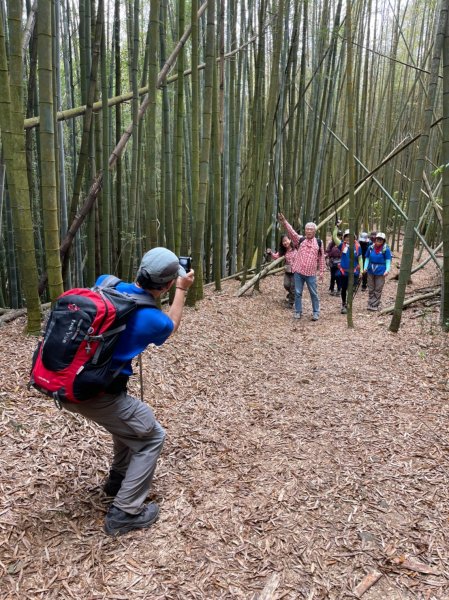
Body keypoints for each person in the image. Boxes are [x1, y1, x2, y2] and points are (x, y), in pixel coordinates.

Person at [62, 247, 195, 536]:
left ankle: (118, 480)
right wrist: (182, 291)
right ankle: (125, 512)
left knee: (130, 423)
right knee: (152, 437)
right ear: (169, 283)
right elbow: (170, 324)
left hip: (69, 379)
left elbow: (124, 291)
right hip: (95, 393)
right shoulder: (152, 319)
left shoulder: (106, 282)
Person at [278, 213, 325, 321]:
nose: (308, 231)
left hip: (311, 273)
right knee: (298, 293)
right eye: (307, 229)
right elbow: (292, 232)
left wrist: (322, 271)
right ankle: (298, 312)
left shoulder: (319, 242)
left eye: (311, 229)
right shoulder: (301, 240)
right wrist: (284, 221)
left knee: (313, 293)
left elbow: (321, 257)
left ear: (314, 231)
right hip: (298, 272)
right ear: (305, 231)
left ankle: (316, 312)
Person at [333, 223, 363, 314]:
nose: (348, 238)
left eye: (350, 236)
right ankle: (343, 303)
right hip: (343, 271)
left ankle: (348, 304)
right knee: (344, 288)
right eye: (346, 236)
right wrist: (336, 226)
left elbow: (360, 259)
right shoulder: (342, 245)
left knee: (351, 289)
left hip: (353, 271)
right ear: (344, 237)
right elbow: (334, 237)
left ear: (354, 237)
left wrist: (361, 270)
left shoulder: (357, 246)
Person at [266, 235, 298, 307]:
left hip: (296, 271)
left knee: (293, 287)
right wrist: (270, 253)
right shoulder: (283, 250)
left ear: (290, 240)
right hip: (288, 271)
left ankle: (290, 303)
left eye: (286, 240)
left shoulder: (296, 247)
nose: (285, 242)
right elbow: (276, 256)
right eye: (283, 241)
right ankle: (291, 294)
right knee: (286, 285)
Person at [363, 232, 392, 311]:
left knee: (378, 287)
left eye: (381, 239)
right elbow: (367, 258)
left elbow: (388, 260)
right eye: (378, 239)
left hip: (381, 271)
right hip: (370, 270)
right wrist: (365, 267)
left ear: (383, 241)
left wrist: (387, 270)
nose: (379, 241)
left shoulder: (386, 249)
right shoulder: (370, 247)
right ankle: (370, 303)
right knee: (371, 287)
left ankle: (375, 304)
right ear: (375, 239)